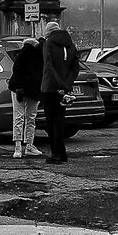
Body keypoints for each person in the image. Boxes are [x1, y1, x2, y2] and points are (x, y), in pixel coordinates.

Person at [38, 19, 78, 164]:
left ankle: (55, 153)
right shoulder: (71, 45)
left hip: (49, 88)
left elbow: (48, 67)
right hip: (64, 90)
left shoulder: (48, 43)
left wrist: (58, 85)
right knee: (60, 121)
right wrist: (66, 85)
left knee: (51, 122)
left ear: (48, 32)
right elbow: (75, 68)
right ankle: (62, 153)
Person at [8, 29, 44, 160]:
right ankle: (29, 145)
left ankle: (18, 147)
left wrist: (18, 88)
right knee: (30, 118)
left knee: (19, 117)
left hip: (20, 89)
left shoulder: (23, 53)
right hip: (31, 90)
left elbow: (16, 70)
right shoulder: (39, 55)